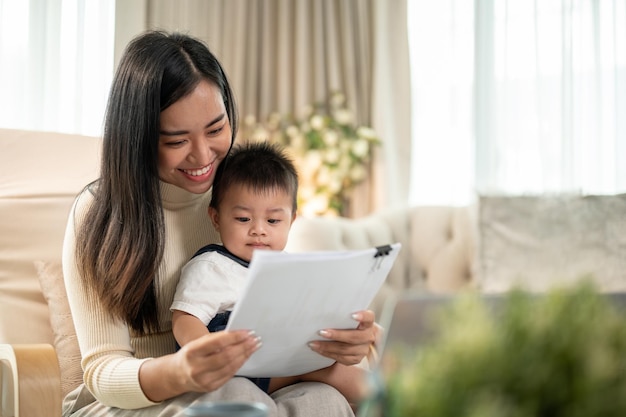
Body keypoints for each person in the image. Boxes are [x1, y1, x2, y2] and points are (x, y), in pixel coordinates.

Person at [62, 30, 379, 417]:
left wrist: (346, 347)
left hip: (243, 383)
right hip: (135, 401)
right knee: (234, 402)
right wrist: (183, 370)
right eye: (177, 141)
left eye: (216, 129)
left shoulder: (241, 198)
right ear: (139, 138)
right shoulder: (100, 213)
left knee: (323, 400)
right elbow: (103, 370)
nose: (202, 156)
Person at [171, 141, 368, 407]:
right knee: (319, 371)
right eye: (243, 219)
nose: (259, 230)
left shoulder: (288, 269)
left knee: (333, 371)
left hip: (280, 358)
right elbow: (185, 317)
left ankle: (397, 398)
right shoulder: (212, 266)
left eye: (273, 221)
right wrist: (207, 350)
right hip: (231, 369)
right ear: (216, 218)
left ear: (292, 221)